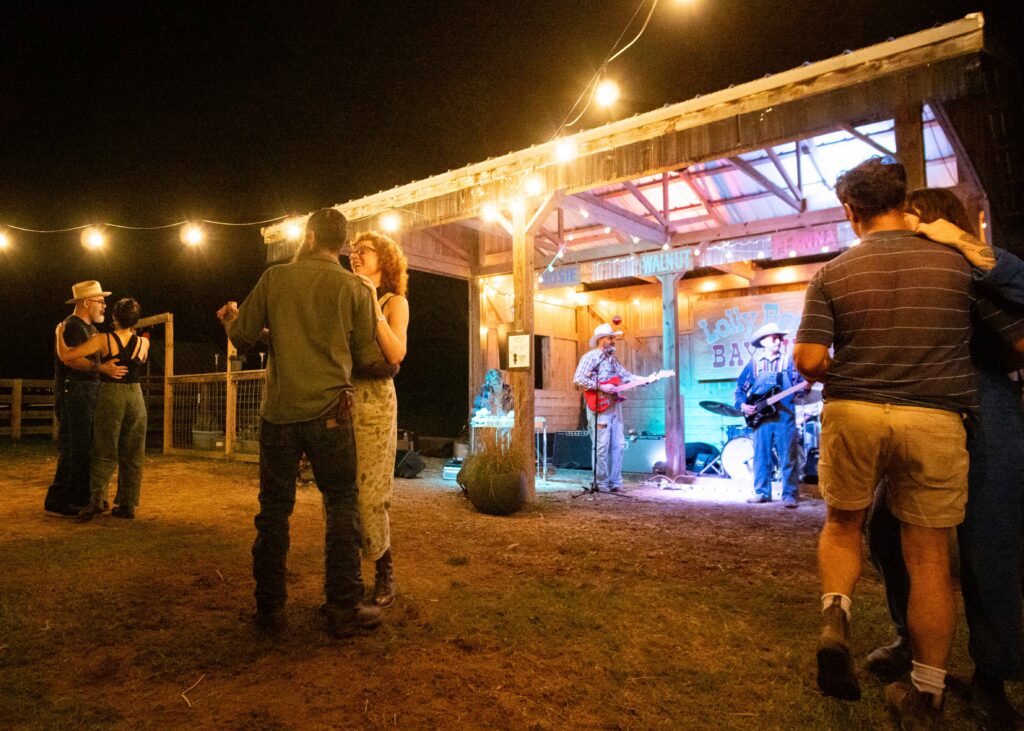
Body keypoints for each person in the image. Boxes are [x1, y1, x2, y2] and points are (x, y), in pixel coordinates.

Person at [792, 157, 1024, 726]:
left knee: (981, 548)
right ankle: (920, 662)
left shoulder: (960, 264)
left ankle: (992, 674)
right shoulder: (945, 268)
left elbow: (810, 359)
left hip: (971, 412)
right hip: (934, 412)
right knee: (897, 539)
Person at [864, 188, 1024, 728]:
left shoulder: (973, 270)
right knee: (885, 529)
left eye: (911, 218)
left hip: (985, 406)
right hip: (926, 405)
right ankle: (914, 639)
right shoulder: (913, 272)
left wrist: (963, 245)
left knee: (990, 542)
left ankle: (993, 676)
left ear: (935, 222)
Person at [216, 207, 397, 638]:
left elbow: (241, 338)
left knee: (274, 512)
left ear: (310, 235)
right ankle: (342, 607)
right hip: (333, 416)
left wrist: (232, 320)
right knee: (341, 507)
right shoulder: (354, 288)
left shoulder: (275, 279)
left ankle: (270, 609)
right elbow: (366, 355)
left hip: (278, 414)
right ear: (342, 244)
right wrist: (389, 368)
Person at [347, 231, 409, 608]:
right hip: (342, 397)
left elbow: (396, 352)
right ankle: (348, 575)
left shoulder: (393, 301)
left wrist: (370, 300)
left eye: (364, 250)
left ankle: (384, 568)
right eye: (352, 250)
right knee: (342, 493)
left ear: (383, 260)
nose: (355, 255)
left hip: (374, 401)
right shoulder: (345, 296)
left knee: (371, 492)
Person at [56, 297, 150, 521]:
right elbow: (139, 360)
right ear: (135, 320)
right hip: (136, 397)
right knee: (133, 453)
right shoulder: (144, 343)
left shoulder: (103, 339)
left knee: (104, 449)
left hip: (111, 394)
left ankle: (97, 500)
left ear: (115, 317)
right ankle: (128, 504)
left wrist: (59, 335)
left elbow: (67, 355)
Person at [44, 281, 127, 517]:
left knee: (84, 446)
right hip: (75, 392)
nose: (104, 306)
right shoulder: (72, 326)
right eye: (101, 302)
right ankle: (59, 500)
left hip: (86, 392)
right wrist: (102, 369)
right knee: (74, 446)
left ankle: (80, 498)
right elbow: (70, 360)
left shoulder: (90, 329)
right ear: (87, 302)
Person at [733, 322, 805, 508]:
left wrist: (804, 388)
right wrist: (742, 405)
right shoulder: (754, 364)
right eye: (774, 338)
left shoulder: (789, 362)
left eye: (780, 338)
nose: (778, 341)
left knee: (788, 456)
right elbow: (740, 389)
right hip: (761, 418)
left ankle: (790, 494)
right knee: (760, 456)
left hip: (785, 416)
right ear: (764, 341)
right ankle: (761, 492)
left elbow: (801, 386)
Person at [573, 323, 635, 493]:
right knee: (601, 445)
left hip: (614, 406)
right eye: (610, 337)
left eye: (613, 337)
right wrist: (601, 387)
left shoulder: (613, 360)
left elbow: (626, 376)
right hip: (599, 406)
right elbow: (578, 379)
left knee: (619, 444)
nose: (613, 340)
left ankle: (616, 482)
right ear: (601, 340)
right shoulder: (591, 357)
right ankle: (601, 482)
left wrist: (647, 379)